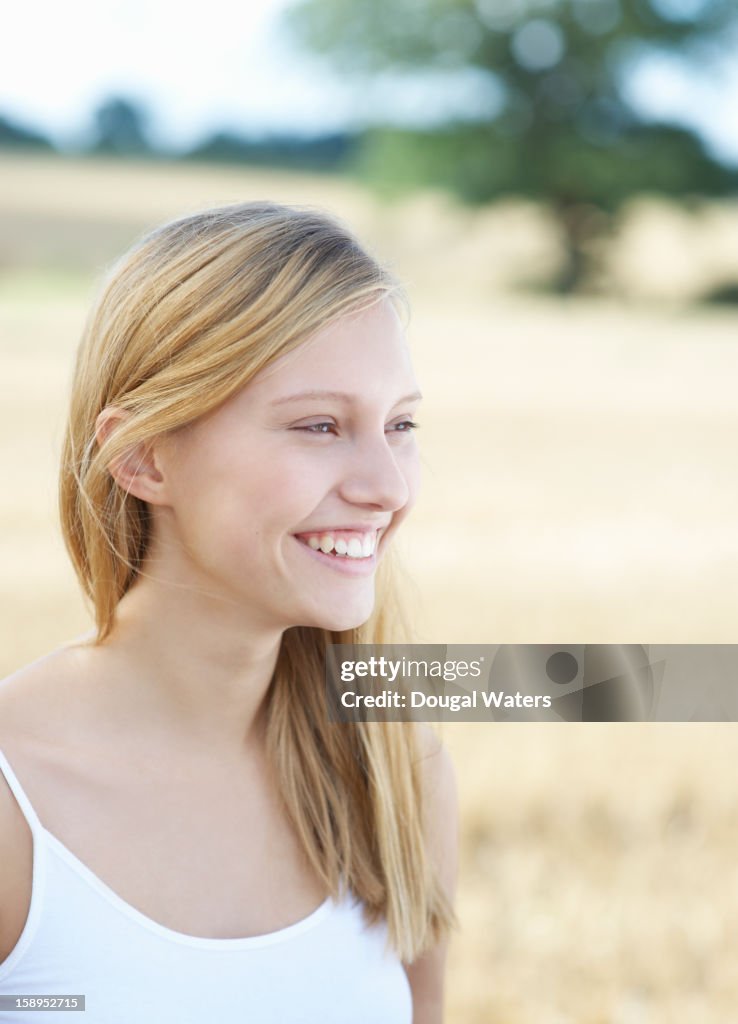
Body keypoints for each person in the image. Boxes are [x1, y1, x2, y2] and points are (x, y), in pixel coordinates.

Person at [0, 201, 458, 1022]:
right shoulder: (14, 803)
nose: (388, 487)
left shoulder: (393, 770)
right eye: (320, 426)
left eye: (401, 424)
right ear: (142, 455)